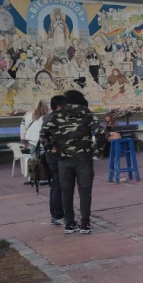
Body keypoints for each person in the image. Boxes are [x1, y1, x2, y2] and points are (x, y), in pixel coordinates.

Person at [40, 90, 105, 234]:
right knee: (85, 192)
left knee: (66, 192)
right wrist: (98, 150)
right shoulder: (86, 113)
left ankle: (69, 224)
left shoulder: (57, 114)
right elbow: (100, 132)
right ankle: (85, 224)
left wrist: (51, 149)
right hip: (84, 159)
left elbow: (43, 133)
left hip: (64, 160)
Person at [44, 95, 66, 226]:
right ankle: (58, 215)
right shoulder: (56, 119)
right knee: (59, 185)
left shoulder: (47, 117)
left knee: (55, 185)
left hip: (51, 156)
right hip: (56, 156)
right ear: (59, 106)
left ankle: (55, 214)